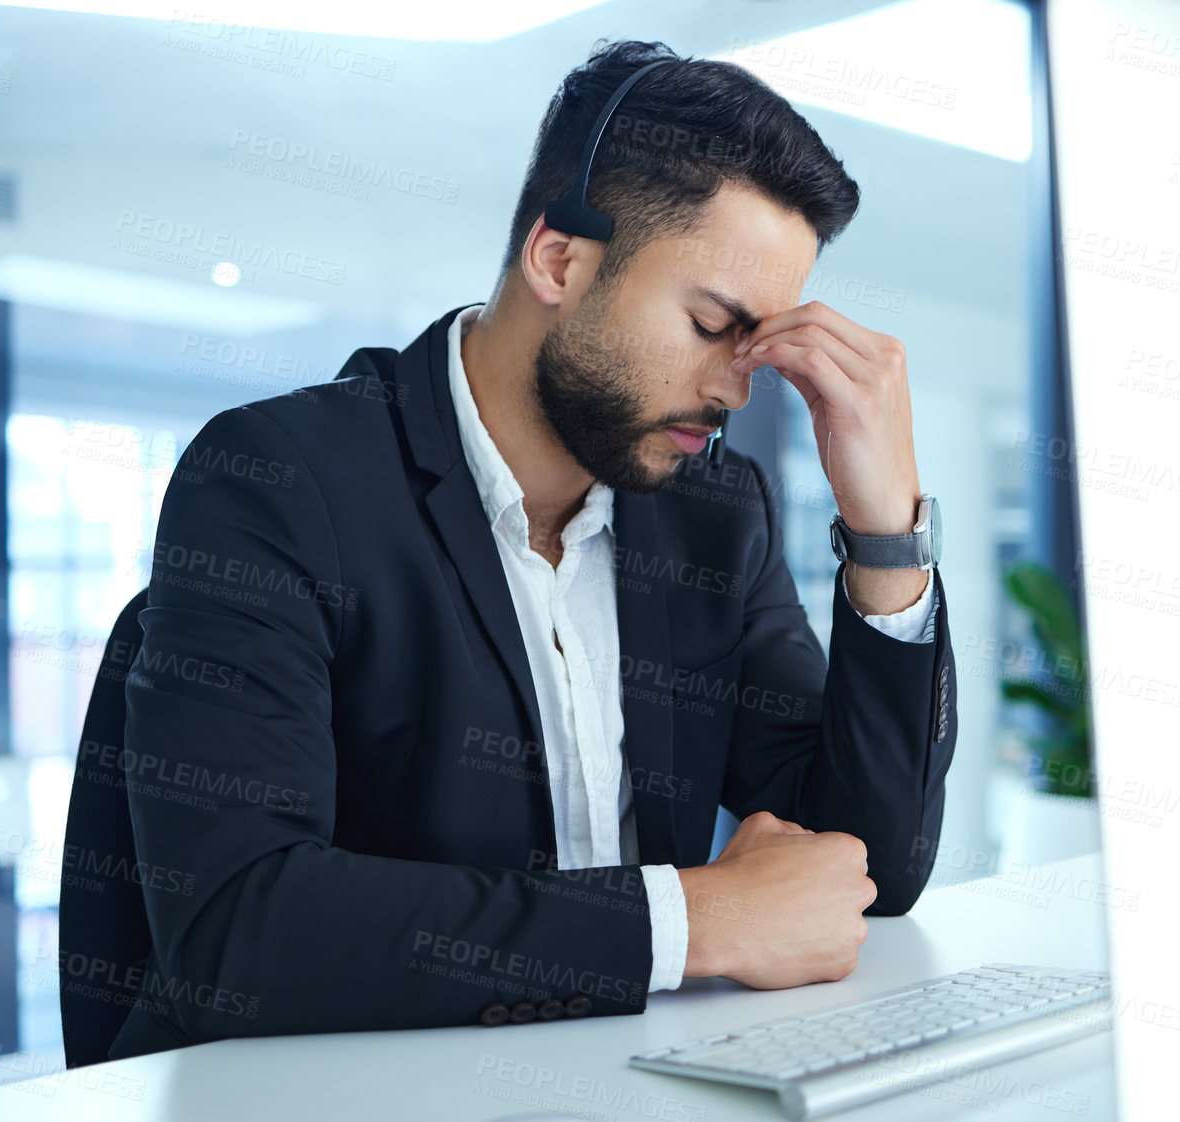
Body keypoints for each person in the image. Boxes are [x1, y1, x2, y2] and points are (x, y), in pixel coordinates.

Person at [105, 38, 957, 1060]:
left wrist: (886, 532)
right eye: (708, 324)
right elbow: (237, 928)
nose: (736, 390)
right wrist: (696, 920)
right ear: (559, 260)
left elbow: (867, 867)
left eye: (757, 344)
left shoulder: (714, 513)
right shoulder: (275, 480)